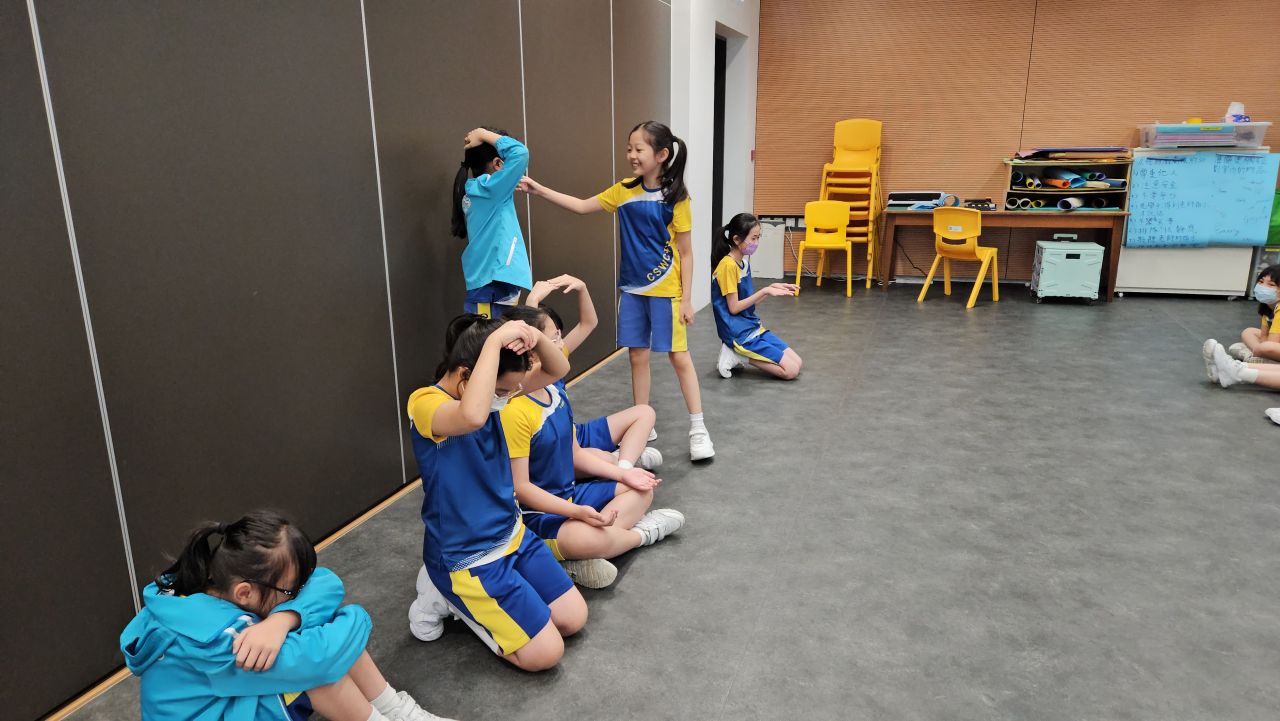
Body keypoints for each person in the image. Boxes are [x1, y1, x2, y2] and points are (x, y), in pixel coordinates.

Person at [120, 510, 452, 721]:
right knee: (317, 673)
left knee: (311, 627)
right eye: (291, 590)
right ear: (245, 593)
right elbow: (320, 663)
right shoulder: (220, 640)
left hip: (223, 702)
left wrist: (285, 617)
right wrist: (354, 617)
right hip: (217, 711)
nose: (298, 592)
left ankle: (398, 712)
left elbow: (323, 581)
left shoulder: (210, 581)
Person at [520, 121, 714, 461]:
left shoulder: (676, 198)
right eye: (629, 149)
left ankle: (698, 428)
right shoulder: (624, 191)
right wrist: (540, 190)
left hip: (666, 292)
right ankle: (643, 421)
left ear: (661, 155)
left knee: (678, 357)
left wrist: (686, 299)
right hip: (633, 291)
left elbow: (686, 252)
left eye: (639, 149)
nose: (631, 155)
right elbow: (582, 206)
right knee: (637, 356)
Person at [405, 315, 584, 672]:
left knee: (572, 619)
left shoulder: (497, 392)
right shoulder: (424, 402)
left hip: (513, 533)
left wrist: (533, 335)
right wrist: (493, 342)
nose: (509, 397)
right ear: (466, 375)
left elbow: (558, 368)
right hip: (468, 556)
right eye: (503, 391)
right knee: (546, 654)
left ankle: (485, 602)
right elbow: (470, 416)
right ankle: (447, 597)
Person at [499, 305, 686, 589]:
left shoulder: (553, 391)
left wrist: (625, 474)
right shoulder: (513, 410)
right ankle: (640, 535)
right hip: (538, 514)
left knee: (642, 488)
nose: (561, 343)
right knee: (587, 537)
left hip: (570, 494)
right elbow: (522, 489)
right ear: (532, 351)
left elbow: (575, 454)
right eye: (554, 338)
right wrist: (577, 513)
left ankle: (588, 552)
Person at [524, 274, 662, 470]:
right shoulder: (523, 376)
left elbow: (588, 323)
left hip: (574, 434)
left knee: (645, 413)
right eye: (554, 338)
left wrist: (582, 288)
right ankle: (623, 460)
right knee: (605, 460)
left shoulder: (558, 355)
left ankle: (623, 463)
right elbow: (530, 334)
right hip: (558, 449)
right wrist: (532, 301)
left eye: (559, 335)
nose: (561, 343)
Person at [709, 213, 803, 380]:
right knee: (791, 371)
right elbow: (734, 307)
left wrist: (770, 288)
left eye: (758, 237)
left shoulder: (743, 263)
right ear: (736, 239)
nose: (756, 243)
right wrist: (765, 291)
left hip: (752, 327)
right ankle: (737, 354)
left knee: (798, 362)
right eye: (753, 238)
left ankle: (738, 353)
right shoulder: (727, 266)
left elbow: (747, 304)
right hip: (738, 333)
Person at [452, 127, 532, 318]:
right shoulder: (490, 189)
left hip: (491, 287)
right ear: (497, 163)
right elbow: (520, 152)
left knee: (495, 336)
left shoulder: (480, 190)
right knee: (487, 337)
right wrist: (481, 133)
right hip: (491, 288)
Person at [1225, 266, 1280, 363]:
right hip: (1274, 344)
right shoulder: (1268, 307)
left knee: (1267, 346)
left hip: (1274, 344)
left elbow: (1272, 342)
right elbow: (1263, 336)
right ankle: (1258, 355)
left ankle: (1256, 356)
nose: (1263, 287)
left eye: (1271, 285)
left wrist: (1262, 347)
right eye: (1261, 282)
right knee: (1248, 332)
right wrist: (1261, 346)